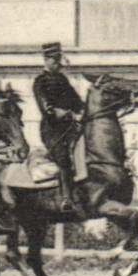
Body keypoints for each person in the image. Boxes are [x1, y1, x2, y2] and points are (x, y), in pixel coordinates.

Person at [32, 41, 83, 212]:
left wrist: (84, 111)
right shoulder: (40, 81)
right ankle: (66, 198)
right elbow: (47, 109)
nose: (57, 62)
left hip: (70, 128)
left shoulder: (63, 79)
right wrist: (68, 114)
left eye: (58, 58)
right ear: (45, 60)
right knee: (63, 158)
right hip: (52, 130)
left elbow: (77, 102)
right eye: (53, 59)